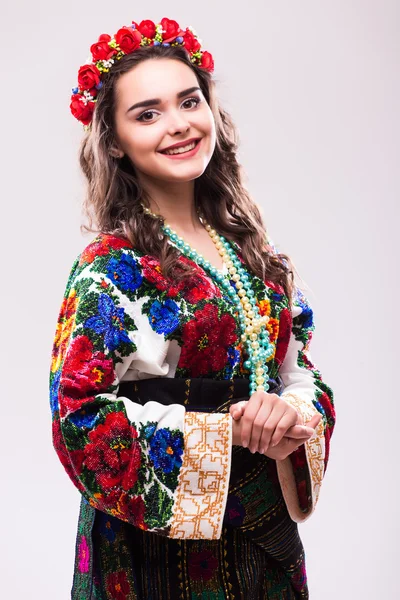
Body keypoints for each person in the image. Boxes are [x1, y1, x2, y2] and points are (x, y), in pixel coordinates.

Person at [49, 16, 336, 600]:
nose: (178, 125)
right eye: (147, 113)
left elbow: (299, 370)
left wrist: (292, 424)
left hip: (263, 539)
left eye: (189, 101)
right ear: (115, 142)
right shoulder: (111, 268)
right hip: (154, 557)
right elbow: (75, 416)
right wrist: (220, 434)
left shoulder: (256, 252)